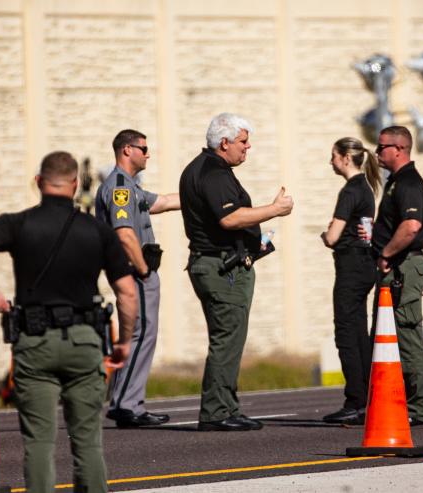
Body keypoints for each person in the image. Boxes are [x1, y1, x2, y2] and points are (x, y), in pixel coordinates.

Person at [0, 151, 138, 493]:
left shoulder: (17, 223)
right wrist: (124, 342)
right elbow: (127, 293)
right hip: (84, 342)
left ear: (39, 183)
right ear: (75, 185)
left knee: (39, 443)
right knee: (87, 442)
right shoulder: (98, 231)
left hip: (35, 342)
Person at [179, 113, 294, 431]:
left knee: (227, 338)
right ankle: (217, 411)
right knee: (226, 339)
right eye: (243, 142)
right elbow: (229, 219)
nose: (248, 147)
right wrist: (275, 210)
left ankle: (225, 407)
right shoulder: (213, 172)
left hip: (217, 264)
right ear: (224, 142)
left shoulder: (205, 169)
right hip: (221, 268)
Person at [95, 129, 180, 428]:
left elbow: (164, 202)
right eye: (144, 148)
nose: (148, 153)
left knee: (138, 335)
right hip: (135, 272)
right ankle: (127, 405)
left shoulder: (129, 187)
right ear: (127, 150)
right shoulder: (120, 188)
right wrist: (143, 269)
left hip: (133, 271)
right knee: (142, 335)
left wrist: (201, 194)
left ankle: (125, 402)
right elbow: (124, 234)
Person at [366, 125, 423, 426]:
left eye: (381, 147)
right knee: (388, 337)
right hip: (397, 268)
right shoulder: (396, 182)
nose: (377, 152)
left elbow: (411, 227)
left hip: (404, 267)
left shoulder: (408, 183)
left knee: (406, 338)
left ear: (399, 149)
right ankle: (396, 403)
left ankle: (417, 410)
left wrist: (386, 254)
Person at [319, 137, 382, 425]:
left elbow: (333, 236)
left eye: (333, 155)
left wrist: (325, 236)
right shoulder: (366, 189)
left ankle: (355, 402)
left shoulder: (349, 191)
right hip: (364, 266)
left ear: (346, 157)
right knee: (359, 334)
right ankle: (366, 400)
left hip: (350, 268)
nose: (331, 161)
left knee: (346, 333)